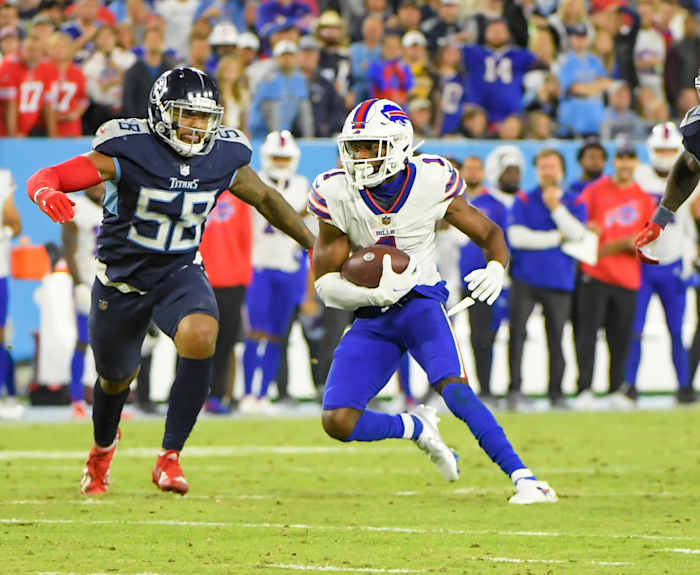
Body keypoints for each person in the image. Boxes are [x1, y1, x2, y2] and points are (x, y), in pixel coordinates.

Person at [26, 67, 314, 495]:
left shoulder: (224, 156)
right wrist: (45, 193)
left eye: (204, 117)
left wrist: (312, 243)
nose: (197, 127)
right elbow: (49, 176)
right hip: (121, 278)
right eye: (186, 115)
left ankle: (169, 458)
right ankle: (102, 450)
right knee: (114, 379)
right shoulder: (128, 149)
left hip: (178, 269)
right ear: (161, 113)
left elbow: (268, 198)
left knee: (202, 335)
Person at [309, 97, 558, 504]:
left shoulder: (430, 179)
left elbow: (490, 234)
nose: (360, 157)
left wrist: (496, 268)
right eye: (354, 147)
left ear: (399, 144)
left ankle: (526, 479)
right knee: (338, 421)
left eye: (370, 146)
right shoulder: (335, 191)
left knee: (456, 392)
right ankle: (416, 428)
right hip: (372, 315)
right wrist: (370, 292)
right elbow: (324, 283)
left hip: (421, 302)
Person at [575, 142, 655, 409]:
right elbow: (579, 220)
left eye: (630, 158)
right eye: (620, 158)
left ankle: (616, 389)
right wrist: (596, 233)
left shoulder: (644, 199)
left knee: (620, 337)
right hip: (595, 274)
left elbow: (647, 240)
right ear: (614, 162)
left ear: (636, 163)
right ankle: (584, 389)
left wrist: (614, 245)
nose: (624, 163)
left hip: (627, 277)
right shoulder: (595, 191)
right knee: (587, 335)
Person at [507, 149, 587, 410]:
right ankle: (515, 390)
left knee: (557, 337)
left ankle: (557, 393)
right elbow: (517, 238)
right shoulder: (523, 199)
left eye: (552, 166)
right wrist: (555, 238)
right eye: (543, 166)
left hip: (559, 280)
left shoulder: (575, 201)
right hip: (525, 279)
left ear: (562, 170)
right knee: (517, 334)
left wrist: (556, 208)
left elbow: (577, 235)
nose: (547, 171)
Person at [624, 123, 697, 404]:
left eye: (670, 150)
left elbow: (690, 227)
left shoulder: (692, 177)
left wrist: (689, 260)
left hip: (673, 263)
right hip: (641, 264)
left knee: (677, 330)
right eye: (660, 150)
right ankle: (629, 384)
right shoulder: (638, 178)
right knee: (635, 328)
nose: (665, 156)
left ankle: (684, 385)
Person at [240, 130, 309, 415]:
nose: (280, 163)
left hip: (290, 266)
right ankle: (247, 392)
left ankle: (263, 392)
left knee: (277, 335)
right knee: (255, 332)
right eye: (276, 158)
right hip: (259, 266)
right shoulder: (253, 182)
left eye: (285, 158)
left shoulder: (303, 185)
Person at [458, 151, 518, 404]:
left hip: (484, 280)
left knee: (484, 337)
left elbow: (504, 241)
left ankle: (486, 389)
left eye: (476, 168)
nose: (472, 172)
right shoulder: (451, 203)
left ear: (483, 173)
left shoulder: (495, 204)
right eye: (468, 167)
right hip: (453, 279)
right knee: (448, 338)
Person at [62, 183, 104, 419]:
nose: (99, 187)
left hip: (110, 283)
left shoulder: (115, 203)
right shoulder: (77, 207)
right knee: (83, 340)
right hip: (87, 284)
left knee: (111, 344)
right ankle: (76, 397)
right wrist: (76, 282)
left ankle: (106, 399)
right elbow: (68, 247)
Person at [0, 167, 21, 419]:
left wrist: (2, 233)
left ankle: (8, 395)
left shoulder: (3, 178)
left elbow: (15, 224)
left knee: (1, 336)